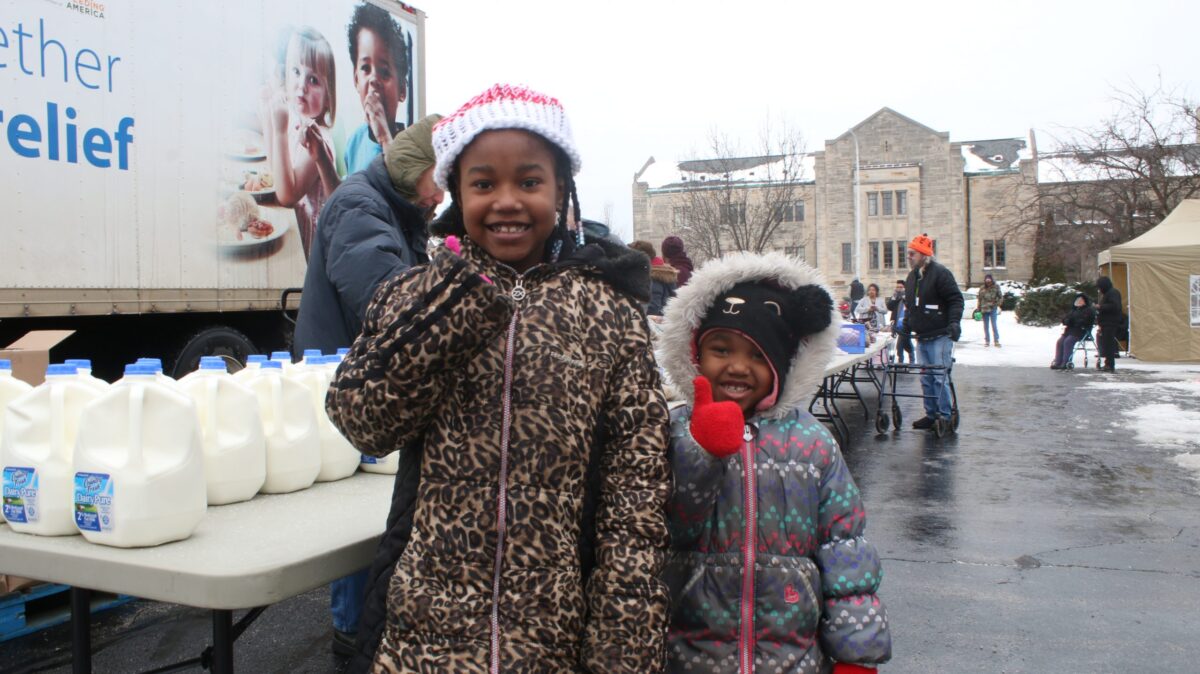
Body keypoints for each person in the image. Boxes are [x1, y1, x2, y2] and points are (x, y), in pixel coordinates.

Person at [327, 84, 671, 672]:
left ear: (562, 191)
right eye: (483, 183)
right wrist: (454, 301)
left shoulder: (609, 315)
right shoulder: (417, 293)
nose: (506, 201)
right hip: (423, 638)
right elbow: (364, 420)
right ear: (456, 193)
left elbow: (635, 499)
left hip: (551, 639)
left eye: (529, 182)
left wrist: (624, 648)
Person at [656, 251, 892, 673]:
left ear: (782, 365)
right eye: (721, 349)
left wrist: (856, 653)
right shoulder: (671, 431)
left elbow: (845, 551)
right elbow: (665, 527)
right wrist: (700, 449)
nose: (737, 367)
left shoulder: (812, 443)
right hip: (688, 655)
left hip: (790, 656)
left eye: (758, 356)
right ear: (694, 353)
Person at [292, 114, 443, 659]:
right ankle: (352, 636)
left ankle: (359, 627)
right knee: (360, 518)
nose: (441, 195)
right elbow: (386, 298)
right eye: (439, 180)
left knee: (373, 514)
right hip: (347, 391)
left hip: (363, 387)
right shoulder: (361, 207)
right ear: (414, 168)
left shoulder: (395, 210)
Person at [260, 27, 341, 259]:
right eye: (296, 71)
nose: (301, 85)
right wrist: (268, 116)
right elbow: (275, 169)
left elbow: (286, 196)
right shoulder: (298, 124)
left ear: (328, 98)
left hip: (308, 253)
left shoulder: (317, 138)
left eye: (313, 79)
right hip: (295, 238)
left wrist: (279, 130)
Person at [902, 233, 964, 434]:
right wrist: (905, 327)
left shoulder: (940, 273)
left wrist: (954, 322)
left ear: (923, 255)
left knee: (939, 376)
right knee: (926, 377)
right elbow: (911, 306)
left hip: (940, 335)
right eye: (908, 253)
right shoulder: (912, 277)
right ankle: (931, 414)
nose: (908, 256)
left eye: (912, 253)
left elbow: (955, 299)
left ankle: (944, 415)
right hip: (922, 336)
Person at [344, 3, 410, 174]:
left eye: (384, 72)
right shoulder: (354, 142)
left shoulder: (411, 146)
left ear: (402, 90)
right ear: (356, 79)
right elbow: (345, 197)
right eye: (366, 68)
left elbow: (403, 192)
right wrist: (321, 157)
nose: (374, 79)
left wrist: (383, 137)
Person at [628, 240, 678, 318]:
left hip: (655, 325)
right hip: (666, 322)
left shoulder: (653, 277)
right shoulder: (663, 272)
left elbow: (653, 308)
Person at [1051, 293, 1096, 369]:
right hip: (1070, 330)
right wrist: (1067, 321)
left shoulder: (1088, 310)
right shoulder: (1073, 310)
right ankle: (1058, 361)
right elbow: (1065, 319)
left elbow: (1086, 321)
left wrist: (1075, 322)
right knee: (1060, 341)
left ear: (1085, 301)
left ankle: (1066, 362)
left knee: (1068, 341)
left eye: (1081, 300)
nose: (1079, 302)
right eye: (1078, 300)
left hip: (1081, 331)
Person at [1096, 276, 1122, 372]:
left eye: (1100, 287)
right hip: (1106, 322)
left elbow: (1115, 306)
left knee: (1109, 344)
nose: (1099, 289)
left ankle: (1110, 365)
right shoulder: (1109, 293)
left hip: (1110, 322)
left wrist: (1100, 307)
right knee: (1107, 344)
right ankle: (1108, 363)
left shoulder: (1113, 293)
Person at [887, 279, 914, 363]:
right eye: (897, 287)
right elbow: (889, 306)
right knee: (905, 341)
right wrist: (895, 297)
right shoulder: (895, 296)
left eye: (901, 287)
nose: (899, 289)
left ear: (905, 288)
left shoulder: (908, 296)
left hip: (906, 323)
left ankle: (902, 360)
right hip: (897, 322)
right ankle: (909, 358)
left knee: (902, 342)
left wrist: (903, 297)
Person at [976, 274, 1002, 347]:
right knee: (986, 326)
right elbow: (979, 299)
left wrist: (997, 304)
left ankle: (996, 340)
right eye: (986, 279)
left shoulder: (996, 287)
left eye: (989, 279)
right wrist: (978, 308)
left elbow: (1000, 297)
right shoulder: (982, 288)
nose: (988, 281)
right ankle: (987, 341)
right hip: (984, 309)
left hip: (993, 308)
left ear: (991, 279)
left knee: (994, 325)